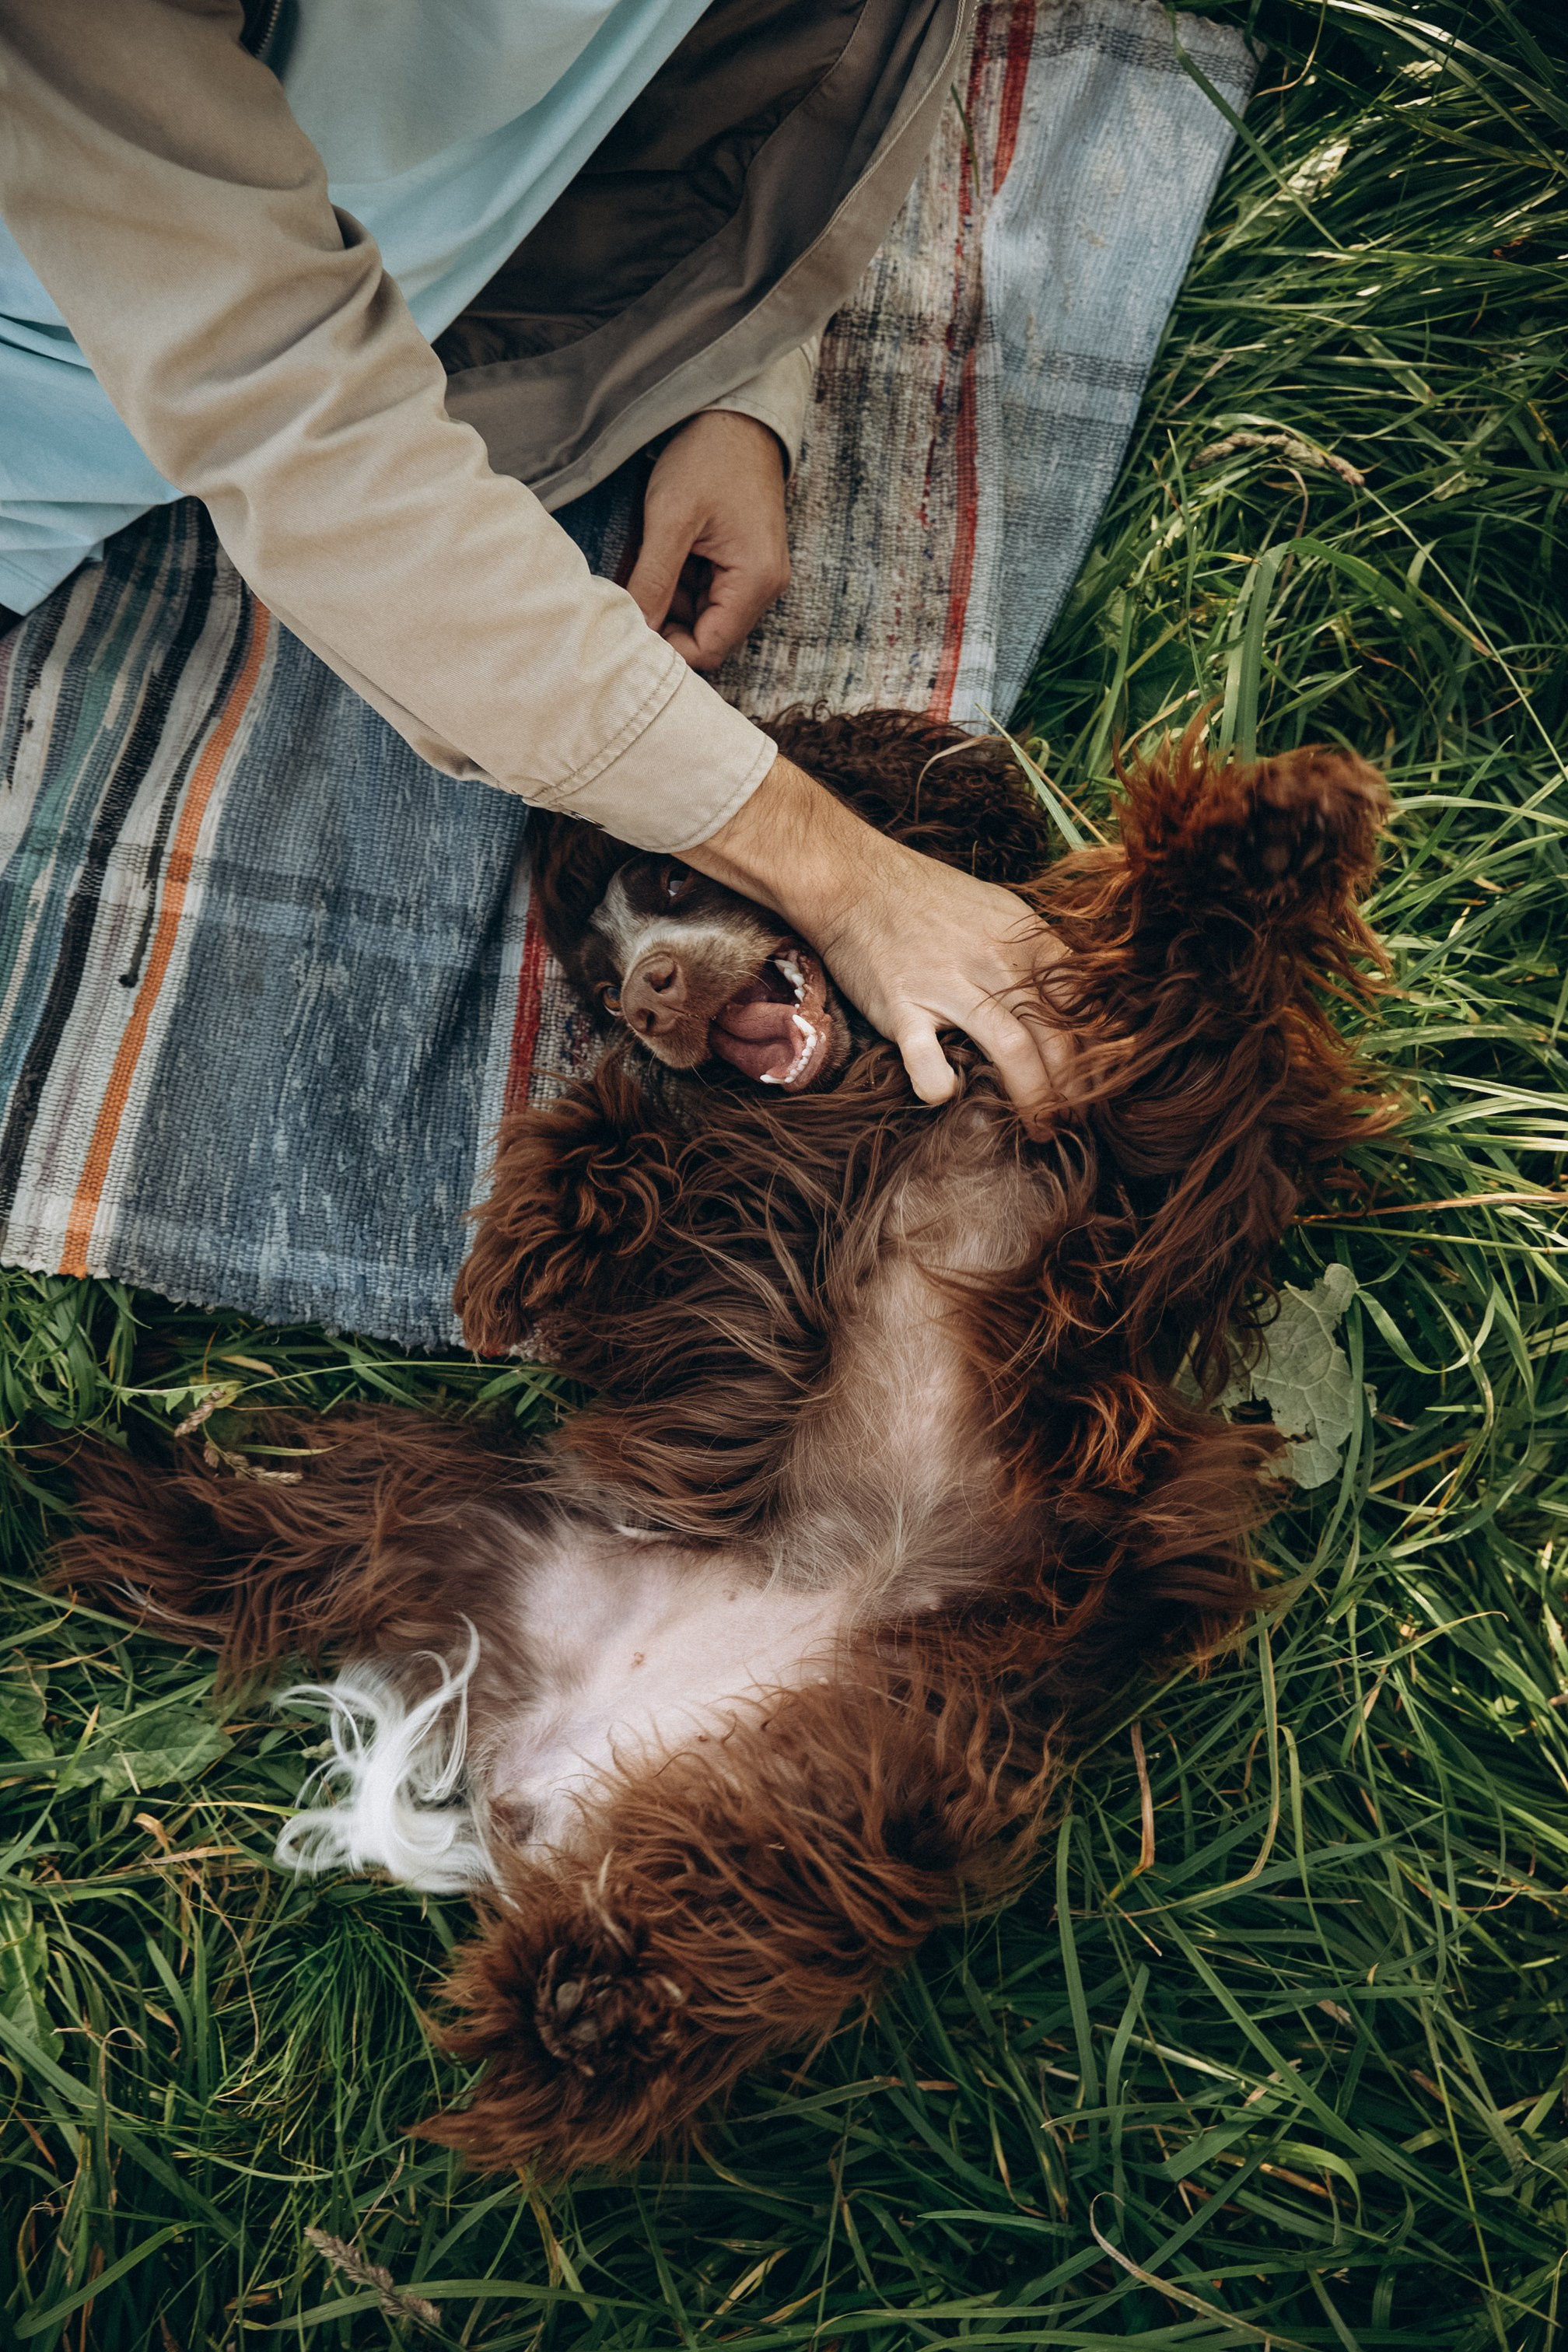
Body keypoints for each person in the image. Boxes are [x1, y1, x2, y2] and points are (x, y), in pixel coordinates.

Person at [0, 0, 1067, 1121]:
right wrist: (844, 881)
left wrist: (735, 372)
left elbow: (785, 70)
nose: (645, 1007)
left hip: (452, 295)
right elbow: (301, 441)